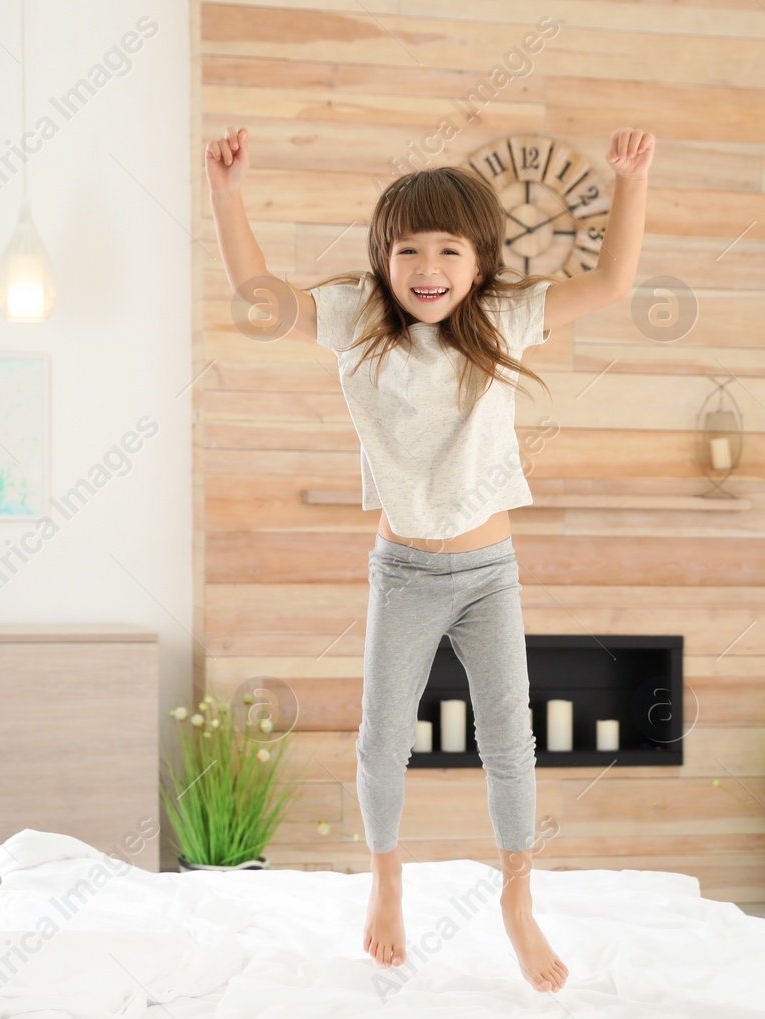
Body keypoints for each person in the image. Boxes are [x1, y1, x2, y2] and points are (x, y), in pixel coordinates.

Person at [205, 123, 653, 994]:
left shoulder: (505, 319)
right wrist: (227, 194)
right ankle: (386, 883)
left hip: (489, 574)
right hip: (404, 570)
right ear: (384, 258)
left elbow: (614, 280)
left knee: (509, 741)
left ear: (478, 261)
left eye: (448, 247)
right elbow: (261, 293)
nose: (427, 265)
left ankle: (517, 899)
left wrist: (630, 182)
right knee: (381, 744)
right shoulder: (356, 320)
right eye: (408, 248)